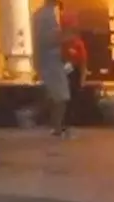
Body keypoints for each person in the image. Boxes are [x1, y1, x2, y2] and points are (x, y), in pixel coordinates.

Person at [32, 0, 72, 137]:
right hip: (51, 60)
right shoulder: (47, 16)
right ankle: (56, 126)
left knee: (55, 95)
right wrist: (64, 37)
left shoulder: (40, 15)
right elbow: (46, 39)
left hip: (49, 60)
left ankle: (56, 125)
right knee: (61, 96)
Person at [58, 1, 87, 130]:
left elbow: (83, 62)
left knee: (72, 97)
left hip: (73, 73)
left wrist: (82, 77)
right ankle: (65, 120)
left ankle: (69, 120)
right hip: (66, 73)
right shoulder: (62, 43)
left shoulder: (76, 43)